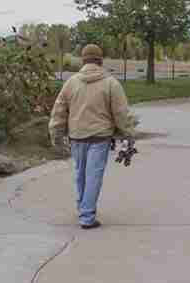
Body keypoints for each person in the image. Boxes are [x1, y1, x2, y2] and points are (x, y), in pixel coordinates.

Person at [49, 44, 135, 229]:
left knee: (80, 174)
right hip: (100, 138)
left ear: (83, 60)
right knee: (94, 176)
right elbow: (121, 113)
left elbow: (59, 110)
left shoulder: (71, 83)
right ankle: (87, 216)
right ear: (100, 60)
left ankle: (82, 207)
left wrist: (55, 133)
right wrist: (128, 133)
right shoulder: (111, 83)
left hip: (77, 137)